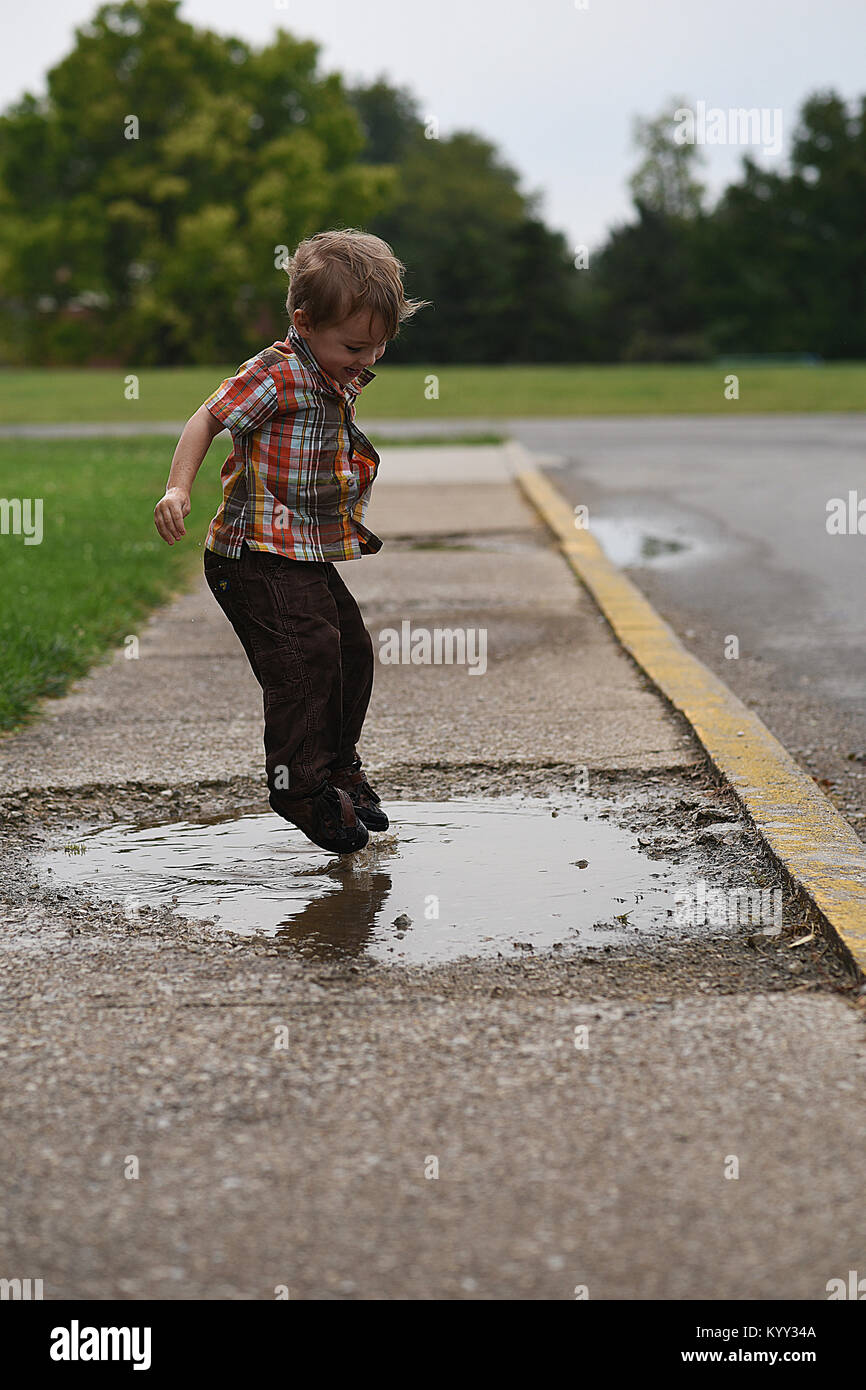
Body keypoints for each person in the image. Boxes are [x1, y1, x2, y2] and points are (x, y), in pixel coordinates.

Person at [154, 228, 430, 853]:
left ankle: (337, 768)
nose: (369, 359)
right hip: (250, 556)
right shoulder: (277, 373)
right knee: (307, 657)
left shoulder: (331, 369)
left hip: (295, 553)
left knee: (351, 647)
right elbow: (208, 418)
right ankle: (298, 787)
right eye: (356, 345)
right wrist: (177, 490)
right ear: (303, 321)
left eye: (380, 345)